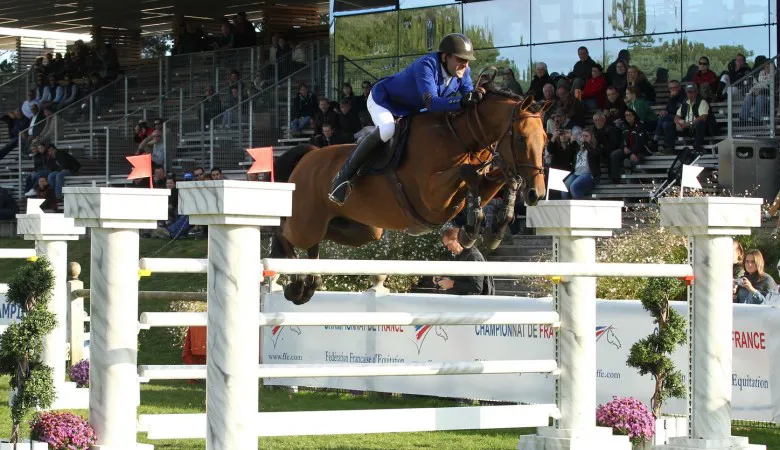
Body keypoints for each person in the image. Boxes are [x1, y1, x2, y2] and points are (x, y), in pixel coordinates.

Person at [328, 33, 484, 206]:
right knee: (388, 129)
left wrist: (477, 95)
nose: (465, 64)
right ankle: (342, 178)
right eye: (460, 59)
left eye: (467, 60)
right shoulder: (426, 65)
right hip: (384, 100)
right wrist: (460, 101)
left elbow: (468, 95)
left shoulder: (463, 71)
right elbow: (431, 102)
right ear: (445, 56)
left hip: (410, 109)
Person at [435, 226, 494, 295]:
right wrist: (442, 277)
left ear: (457, 239)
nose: (448, 249)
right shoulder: (461, 255)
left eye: (449, 244)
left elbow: (477, 287)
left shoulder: (473, 256)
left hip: (472, 303)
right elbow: (462, 278)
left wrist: (452, 284)